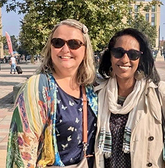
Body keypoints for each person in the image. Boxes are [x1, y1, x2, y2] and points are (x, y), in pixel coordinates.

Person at [6, 19, 98, 168]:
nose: (65, 49)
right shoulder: (37, 87)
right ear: (50, 47)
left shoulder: (91, 88)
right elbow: (22, 152)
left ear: (85, 49)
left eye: (74, 43)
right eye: (58, 43)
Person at [94, 28, 165, 168]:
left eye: (133, 54)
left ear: (140, 59)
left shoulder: (161, 93)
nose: (125, 59)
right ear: (110, 56)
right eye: (118, 53)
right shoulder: (97, 93)